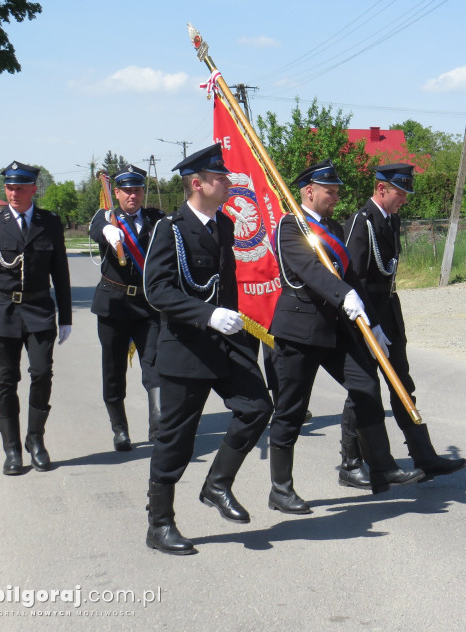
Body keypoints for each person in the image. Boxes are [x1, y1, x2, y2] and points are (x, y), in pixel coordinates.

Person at [265, 159, 423, 514]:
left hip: (337, 330)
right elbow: (309, 271)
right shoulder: (291, 227)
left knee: (366, 387)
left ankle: (377, 466)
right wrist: (342, 294)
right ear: (309, 191)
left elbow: (352, 279)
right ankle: (281, 488)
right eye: (329, 192)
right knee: (290, 410)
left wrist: (373, 321)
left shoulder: (333, 227)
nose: (336, 197)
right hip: (300, 332)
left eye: (336, 192)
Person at [142, 144, 273, 555]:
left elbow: (227, 287)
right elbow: (156, 289)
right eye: (219, 177)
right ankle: (159, 524)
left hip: (224, 344)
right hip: (186, 347)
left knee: (257, 408)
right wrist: (206, 314)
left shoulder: (225, 226)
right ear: (196, 184)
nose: (228, 182)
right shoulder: (171, 228)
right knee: (176, 440)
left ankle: (217, 484)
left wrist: (233, 324)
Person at [337, 163, 466, 488]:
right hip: (364, 318)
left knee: (402, 385)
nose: (404, 200)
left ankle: (424, 455)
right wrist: (370, 323)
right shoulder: (360, 222)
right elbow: (352, 279)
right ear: (381, 189)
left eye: (406, 193)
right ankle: (350, 464)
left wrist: (386, 321)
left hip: (389, 313)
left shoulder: (391, 221)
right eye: (400, 193)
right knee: (363, 390)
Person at [0, 161, 72, 475]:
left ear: (33, 189)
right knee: (6, 380)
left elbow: (61, 273)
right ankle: (12, 449)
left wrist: (65, 315)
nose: (14, 193)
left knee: (41, 373)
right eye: (10, 187)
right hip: (3, 311)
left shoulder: (49, 223)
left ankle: (35, 440)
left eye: (20, 187)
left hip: (39, 311)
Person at [89, 164, 166, 451]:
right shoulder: (106, 217)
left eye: (137, 190)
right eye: (126, 191)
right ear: (117, 193)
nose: (132, 196)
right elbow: (96, 228)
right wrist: (108, 229)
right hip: (113, 306)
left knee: (155, 366)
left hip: (148, 307)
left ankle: (158, 428)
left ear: (143, 192)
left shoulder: (156, 219)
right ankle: (120, 430)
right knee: (113, 370)